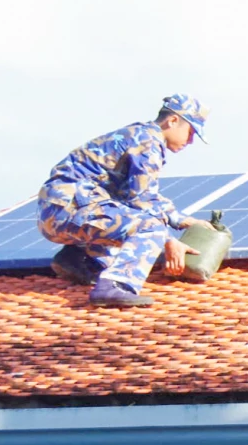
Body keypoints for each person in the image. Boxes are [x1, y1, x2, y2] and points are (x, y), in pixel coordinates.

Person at [37, 95, 209, 308]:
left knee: (123, 221)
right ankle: (115, 286)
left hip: (58, 211)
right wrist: (169, 240)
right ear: (173, 121)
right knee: (150, 227)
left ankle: (81, 260)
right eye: (190, 132)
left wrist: (182, 219)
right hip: (75, 207)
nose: (190, 141)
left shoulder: (137, 135)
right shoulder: (148, 142)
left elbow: (134, 194)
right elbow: (142, 200)